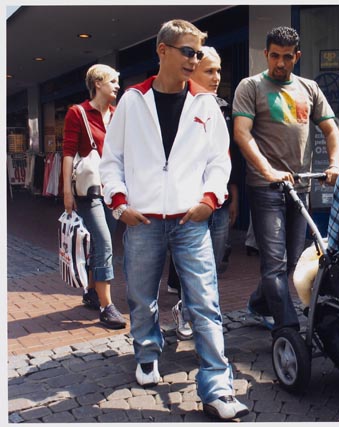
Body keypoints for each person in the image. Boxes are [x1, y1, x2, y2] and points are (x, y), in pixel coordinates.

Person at [99, 19, 249, 420]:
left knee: (204, 301)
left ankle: (217, 385)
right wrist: (119, 203)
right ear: (162, 51)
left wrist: (210, 199)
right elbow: (111, 160)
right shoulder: (131, 101)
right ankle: (147, 353)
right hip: (143, 220)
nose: (194, 60)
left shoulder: (206, 105)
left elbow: (220, 161)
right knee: (142, 298)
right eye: (188, 51)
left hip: (190, 220)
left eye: (198, 53)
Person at [233, 26, 339, 333]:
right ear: (266, 54)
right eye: (275, 56)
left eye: (287, 57)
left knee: (292, 262)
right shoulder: (250, 86)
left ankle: (257, 305)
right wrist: (267, 170)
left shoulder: (309, 88)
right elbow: (241, 133)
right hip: (265, 187)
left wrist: (334, 163)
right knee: (275, 264)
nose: (280, 63)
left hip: (301, 186)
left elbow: (331, 129)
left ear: (297, 56)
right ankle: (289, 329)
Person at [168, 46, 241, 341]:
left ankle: (204, 316)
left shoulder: (221, 106)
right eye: (209, 70)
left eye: (219, 71)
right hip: (187, 200)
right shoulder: (175, 105)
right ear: (192, 70)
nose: (216, 77)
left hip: (218, 200)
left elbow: (225, 154)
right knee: (190, 263)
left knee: (211, 262)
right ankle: (189, 314)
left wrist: (232, 191)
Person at [62, 64, 127, 330]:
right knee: (104, 243)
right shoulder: (77, 113)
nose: (117, 86)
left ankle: (91, 291)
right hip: (89, 191)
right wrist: (66, 190)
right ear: (98, 83)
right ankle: (106, 306)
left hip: (112, 191)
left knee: (102, 243)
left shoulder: (117, 115)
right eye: (113, 81)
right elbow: (67, 152)